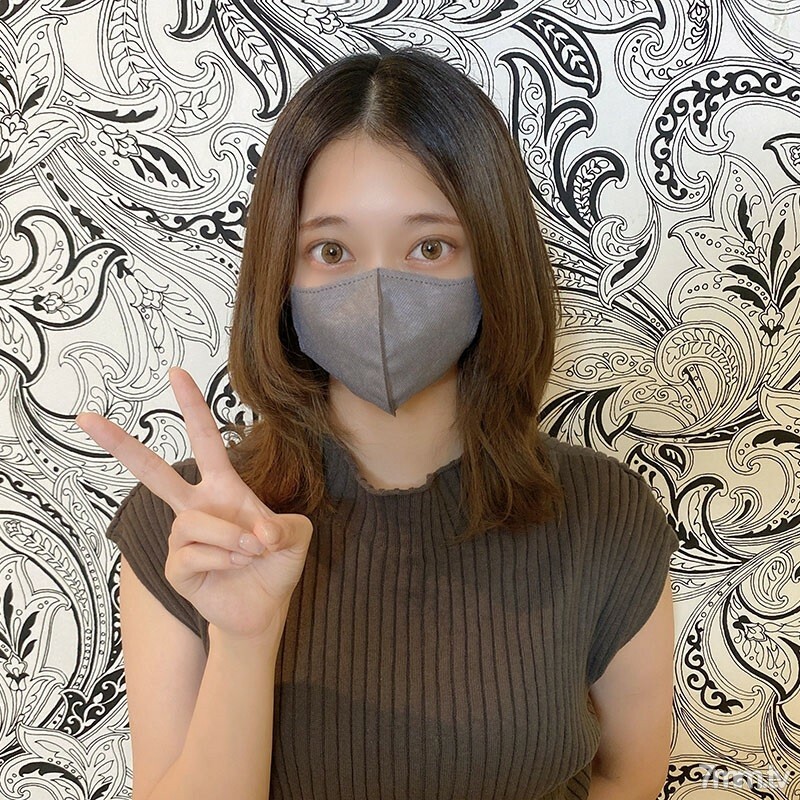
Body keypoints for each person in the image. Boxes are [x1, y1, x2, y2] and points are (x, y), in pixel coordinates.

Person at [75, 47, 680, 800]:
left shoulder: (606, 513)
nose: (380, 292)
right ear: (282, 275)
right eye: (331, 250)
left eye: (431, 247)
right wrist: (243, 640)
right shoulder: (189, 527)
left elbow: (627, 777)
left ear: (494, 262)